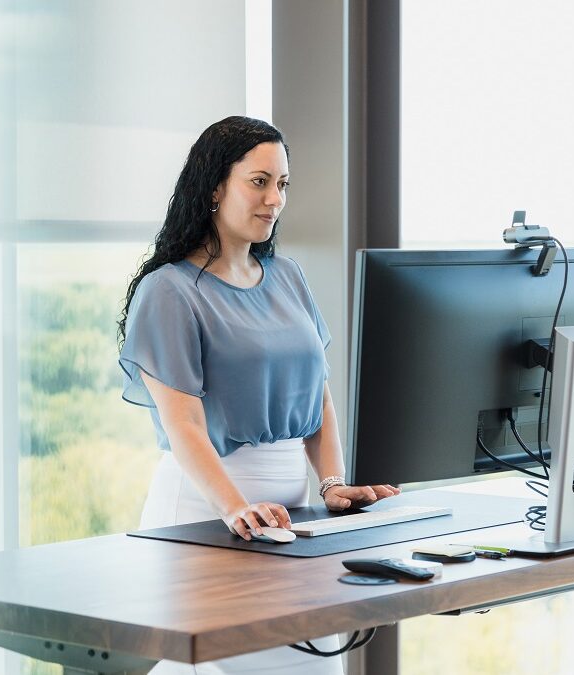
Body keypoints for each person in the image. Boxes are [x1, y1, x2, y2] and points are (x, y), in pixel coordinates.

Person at [117, 116, 401, 674]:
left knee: (313, 666)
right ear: (215, 185)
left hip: (294, 515)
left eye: (284, 185)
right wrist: (235, 507)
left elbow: (317, 400)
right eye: (259, 181)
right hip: (206, 510)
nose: (275, 199)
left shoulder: (288, 277)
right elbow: (184, 428)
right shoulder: (169, 291)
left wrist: (332, 484)